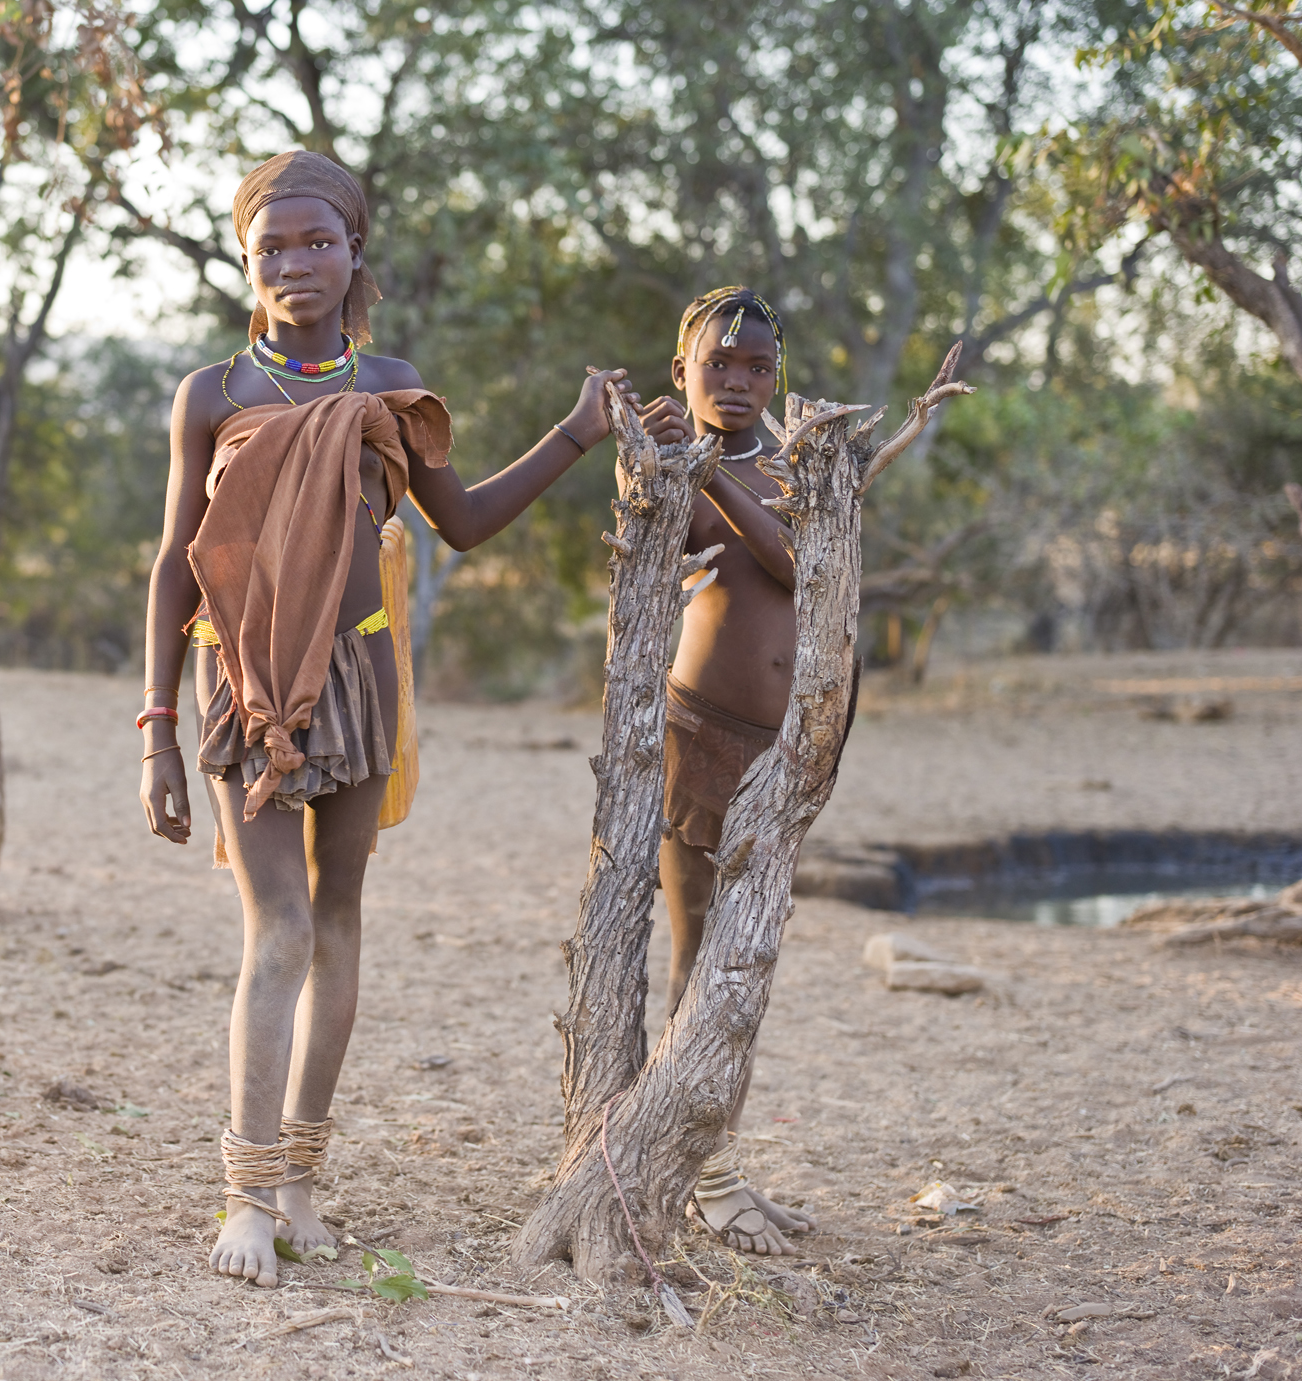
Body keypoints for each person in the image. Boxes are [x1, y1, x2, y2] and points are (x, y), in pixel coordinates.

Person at [138, 149, 634, 1288]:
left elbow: (460, 525)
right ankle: (248, 1196)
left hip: (360, 678)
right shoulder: (214, 395)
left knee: (341, 914)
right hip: (238, 682)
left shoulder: (391, 384)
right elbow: (174, 562)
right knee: (281, 928)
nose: (295, 264)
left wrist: (575, 432)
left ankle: (304, 1180)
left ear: (355, 250)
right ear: (245, 261)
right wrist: (155, 727)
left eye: (317, 242)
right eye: (272, 247)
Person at [632, 286, 820, 1257]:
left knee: (747, 963)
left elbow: (803, 566)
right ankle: (704, 1176)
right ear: (682, 373)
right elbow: (638, 577)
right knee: (698, 956)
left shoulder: (806, 463)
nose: (739, 380)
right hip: (699, 740)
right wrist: (678, 475)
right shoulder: (665, 466)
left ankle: (718, 1160)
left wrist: (718, 476)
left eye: (758, 367)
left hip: (787, 756)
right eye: (720, 364)